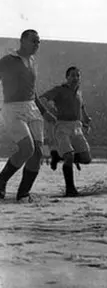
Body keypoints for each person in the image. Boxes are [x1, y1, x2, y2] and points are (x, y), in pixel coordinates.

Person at [0, 29, 56, 202]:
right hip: (12, 109)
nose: (36, 44)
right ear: (22, 41)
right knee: (27, 148)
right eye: (33, 41)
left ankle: (23, 193)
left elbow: (33, 92)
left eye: (38, 41)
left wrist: (45, 111)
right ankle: (1, 181)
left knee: (37, 153)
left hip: (32, 109)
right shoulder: (8, 60)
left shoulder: (33, 62)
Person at [40, 66, 93, 197]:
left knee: (86, 159)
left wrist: (85, 119)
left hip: (77, 127)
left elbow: (81, 106)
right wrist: (47, 110)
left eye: (77, 76)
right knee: (69, 156)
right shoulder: (59, 90)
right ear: (67, 78)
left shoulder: (79, 92)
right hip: (62, 127)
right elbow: (42, 98)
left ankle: (57, 156)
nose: (75, 78)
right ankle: (70, 189)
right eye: (72, 75)